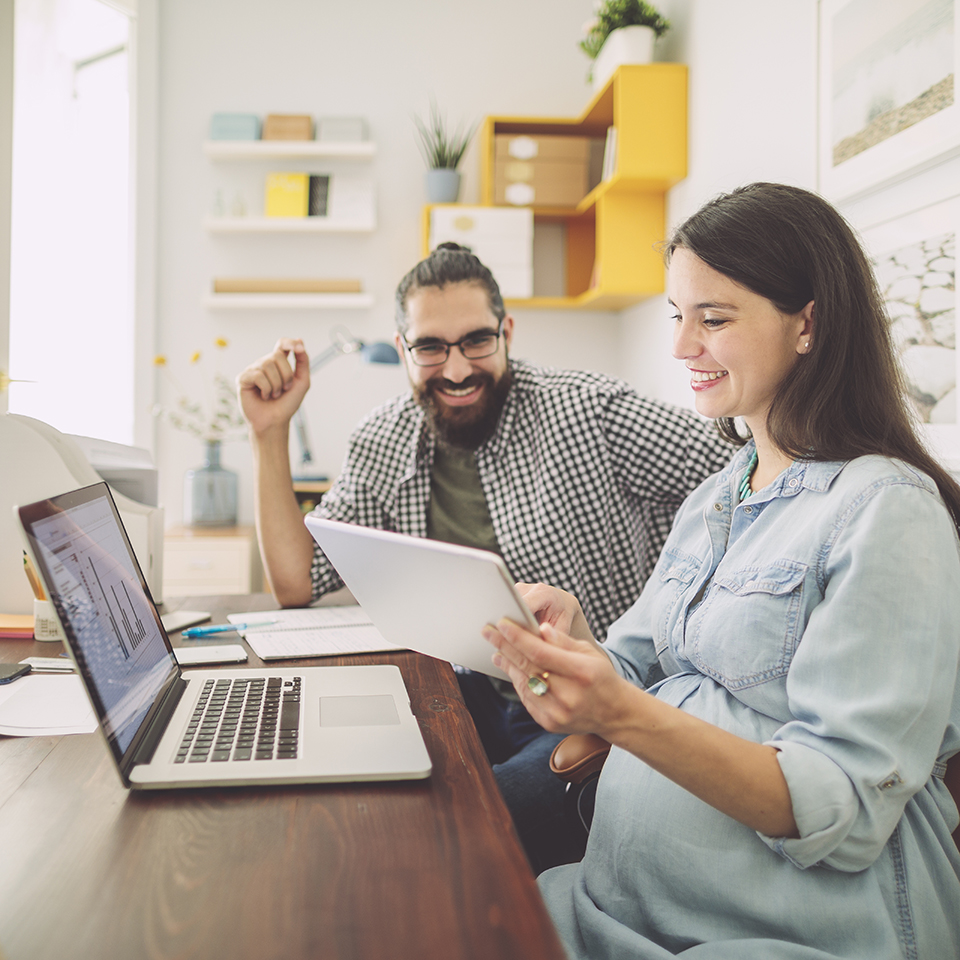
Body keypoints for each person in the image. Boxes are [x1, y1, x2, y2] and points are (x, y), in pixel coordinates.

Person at [484, 182, 960, 958]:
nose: (680, 347)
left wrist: (619, 713)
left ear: (807, 322)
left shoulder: (886, 510)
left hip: (778, 935)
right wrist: (577, 646)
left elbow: (839, 808)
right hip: (613, 905)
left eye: (714, 318)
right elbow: (634, 665)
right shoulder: (717, 496)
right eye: (679, 316)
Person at [236, 242, 734, 864]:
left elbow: (744, 476)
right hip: (460, 689)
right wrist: (268, 432)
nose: (455, 369)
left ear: (507, 333)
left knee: (466, 831)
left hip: (585, 709)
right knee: (347, 795)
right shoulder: (384, 438)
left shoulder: (589, 409)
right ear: (402, 349)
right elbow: (295, 583)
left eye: (476, 341)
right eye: (430, 348)